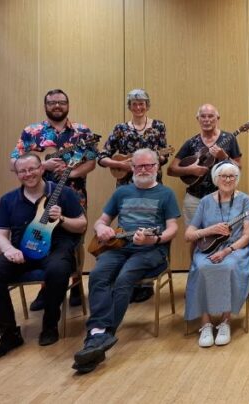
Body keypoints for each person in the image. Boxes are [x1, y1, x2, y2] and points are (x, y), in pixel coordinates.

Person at [72, 149, 180, 373]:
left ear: (156, 168)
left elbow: (173, 228)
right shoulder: (121, 193)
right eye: (139, 166)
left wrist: (155, 239)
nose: (143, 170)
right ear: (131, 168)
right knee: (98, 275)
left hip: (151, 251)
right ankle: (98, 335)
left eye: (148, 165)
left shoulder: (166, 193)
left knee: (124, 279)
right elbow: (100, 222)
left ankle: (101, 336)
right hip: (119, 247)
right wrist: (102, 229)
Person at [0, 153, 87, 361]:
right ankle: (9, 334)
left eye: (32, 169)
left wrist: (63, 219)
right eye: (22, 171)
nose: (28, 174)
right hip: (22, 250)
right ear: (17, 173)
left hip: (56, 249)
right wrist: (8, 250)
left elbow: (82, 225)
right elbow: (0, 234)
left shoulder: (64, 193)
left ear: (41, 169)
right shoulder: (8, 199)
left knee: (58, 270)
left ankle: (50, 325)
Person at [11, 89, 97, 310]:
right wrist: (42, 166)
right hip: (37, 196)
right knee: (41, 236)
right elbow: (14, 162)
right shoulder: (32, 131)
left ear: (68, 105)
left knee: (75, 238)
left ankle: (76, 283)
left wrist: (72, 173)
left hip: (74, 194)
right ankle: (45, 287)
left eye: (61, 102)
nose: (57, 106)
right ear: (45, 105)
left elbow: (91, 161)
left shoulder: (82, 131)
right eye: (52, 102)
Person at [97, 88, 169, 304]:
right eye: (134, 104)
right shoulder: (120, 129)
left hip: (152, 185)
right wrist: (119, 164)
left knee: (152, 224)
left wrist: (154, 162)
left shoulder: (158, 126)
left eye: (142, 103)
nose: (139, 107)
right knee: (129, 227)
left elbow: (164, 154)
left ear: (148, 105)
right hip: (126, 186)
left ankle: (145, 282)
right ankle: (125, 277)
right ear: (129, 107)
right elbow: (102, 156)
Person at [184, 161, 249, 348]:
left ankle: (225, 321)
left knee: (227, 266)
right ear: (216, 179)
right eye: (224, 176)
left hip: (235, 248)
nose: (228, 179)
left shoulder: (245, 200)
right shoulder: (206, 201)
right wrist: (209, 230)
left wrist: (227, 250)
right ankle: (205, 323)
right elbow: (189, 234)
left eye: (232, 176)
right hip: (208, 248)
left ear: (237, 179)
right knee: (202, 267)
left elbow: (247, 235)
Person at [167, 104, 242, 230]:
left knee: (221, 236)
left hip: (223, 197)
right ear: (198, 119)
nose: (207, 119)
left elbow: (238, 168)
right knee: (194, 238)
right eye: (203, 116)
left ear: (217, 118)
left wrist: (224, 157)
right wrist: (191, 170)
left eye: (210, 116)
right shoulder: (191, 142)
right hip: (194, 199)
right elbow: (171, 170)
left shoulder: (230, 139)